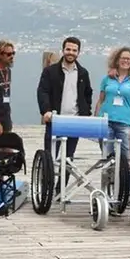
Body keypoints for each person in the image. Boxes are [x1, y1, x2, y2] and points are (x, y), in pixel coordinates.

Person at [36, 36, 93, 166]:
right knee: (49, 159)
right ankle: (47, 186)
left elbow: (87, 94)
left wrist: (86, 113)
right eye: (68, 49)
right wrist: (46, 111)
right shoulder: (50, 71)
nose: (71, 53)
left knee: (68, 160)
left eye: (74, 50)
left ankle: (60, 187)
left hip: (74, 121)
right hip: (55, 120)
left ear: (78, 52)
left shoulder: (83, 73)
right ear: (63, 50)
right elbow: (42, 91)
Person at [95, 46, 130, 189]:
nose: (125, 61)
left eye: (128, 59)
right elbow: (101, 100)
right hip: (106, 121)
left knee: (128, 158)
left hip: (125, 123)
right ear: (117, 60)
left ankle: (128, 191)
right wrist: (96, 119)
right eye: (123, 58)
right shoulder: (107, 79)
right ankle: (107, 190)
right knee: (107, 158)